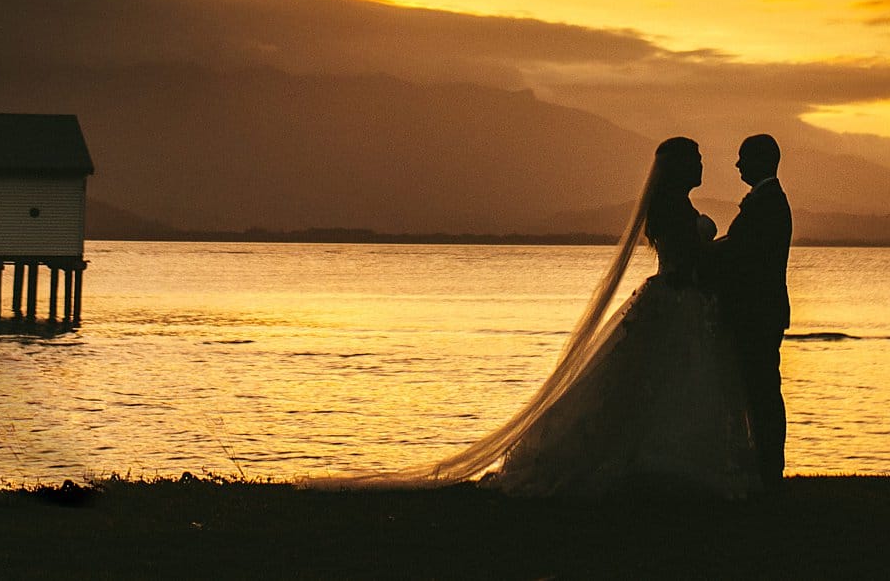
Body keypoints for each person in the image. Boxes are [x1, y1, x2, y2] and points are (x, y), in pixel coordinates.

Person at [324, 136, 758, 497]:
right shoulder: (674, 209)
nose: (702, 164)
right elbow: (687, 260)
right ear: (680, 167)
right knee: (661, 384)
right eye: (696, 158)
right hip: (677, 301)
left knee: (658, 386)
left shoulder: (673, 206)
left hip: (678, 302)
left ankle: (660, 461)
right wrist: (721, 253)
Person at [711, 132, 793, 482]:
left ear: (761, 160)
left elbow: (742, 253)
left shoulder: (767, 203)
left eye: (743, 157)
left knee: (762, 390)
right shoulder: (766, 200)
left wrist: (704, 253)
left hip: (758, 312)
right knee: (758, 388)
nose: (737, 164)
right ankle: (763, 463)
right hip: (760, 310)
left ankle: (770, 466)